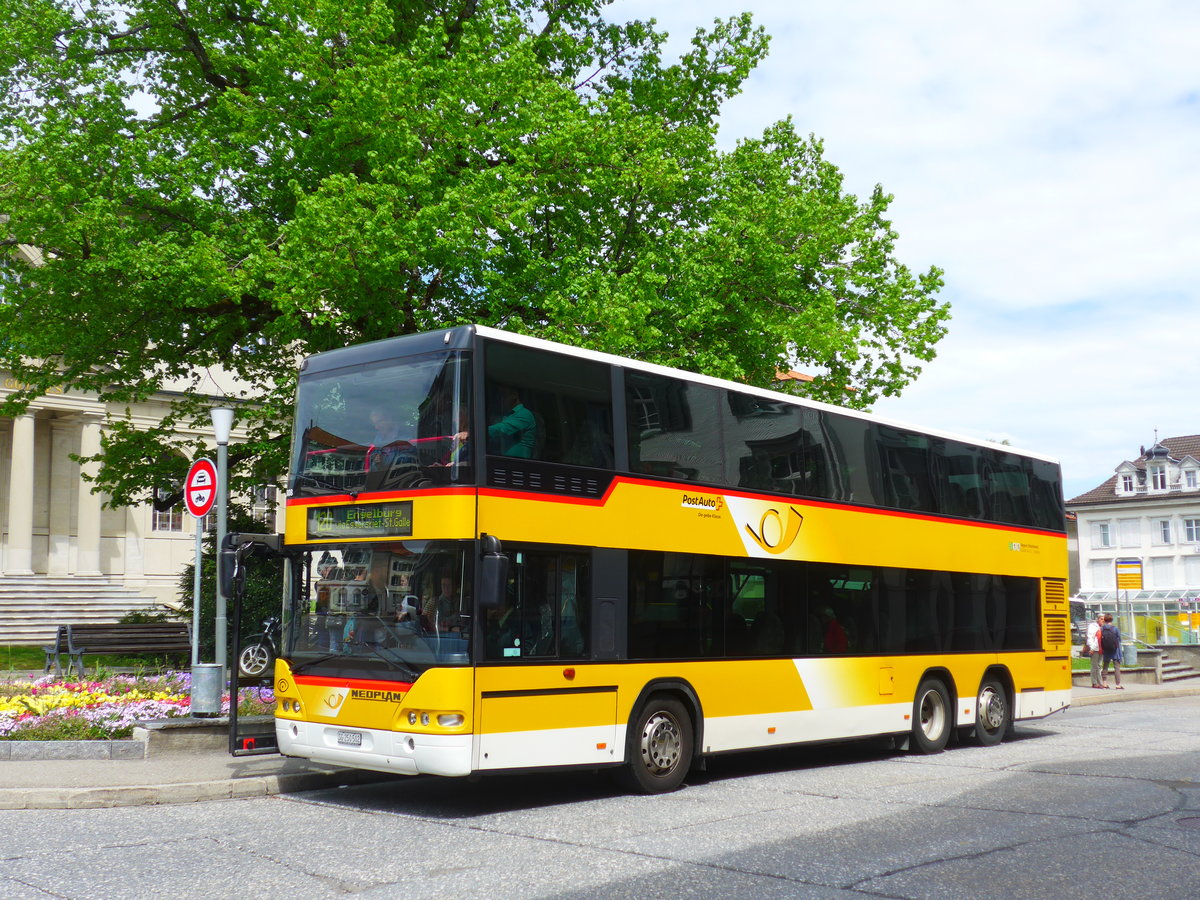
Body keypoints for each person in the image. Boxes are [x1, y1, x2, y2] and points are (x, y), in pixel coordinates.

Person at [486, 385, 536, 458]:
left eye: (503, 395)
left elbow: (500, 429)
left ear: (514, 395)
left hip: (518, 463)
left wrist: (474, 433)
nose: (500, 399)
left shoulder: (524, 414)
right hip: (504, 461)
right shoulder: (507, 415)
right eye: (498, 396)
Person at [1100, 613, 1123, 689]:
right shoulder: (1115, 629)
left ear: (1104, 620)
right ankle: (1118, 684)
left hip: (1106, 649)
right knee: (1116, 667)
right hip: (1115, 649)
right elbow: (1120, 639)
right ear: (1112, 620)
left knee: (1105, 665)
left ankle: (1104, 683)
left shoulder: (1102, 628)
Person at [1086, 612, 1104, 688]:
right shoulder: (1093, 626)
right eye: (1101, 619)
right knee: (1094, 666)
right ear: (1098, 619)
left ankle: (1100, 682)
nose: (1103, 621)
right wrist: (1092, 648)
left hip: (1101, 648)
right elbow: (1090, 637)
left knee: (1099, 666)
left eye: (1104, 619)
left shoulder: (1103, 627)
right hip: (1095, 649)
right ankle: (1094, 682)